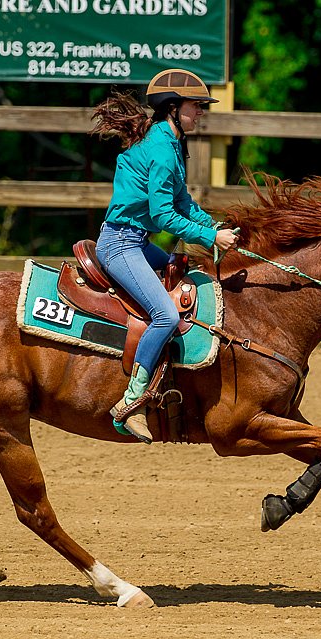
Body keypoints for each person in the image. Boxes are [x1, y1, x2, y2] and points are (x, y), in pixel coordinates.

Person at [90, 68, 239, 444]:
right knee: (166, 314)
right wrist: (209, 236)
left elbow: (183, 202)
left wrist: (214, 226)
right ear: (173, 108)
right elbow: (162, 215)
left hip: (135, 241)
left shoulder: (171, 142)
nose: (201, 112)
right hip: (121, 244)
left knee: (183, 274)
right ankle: (131, 401)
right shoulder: (161, 148)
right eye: (196, 106)